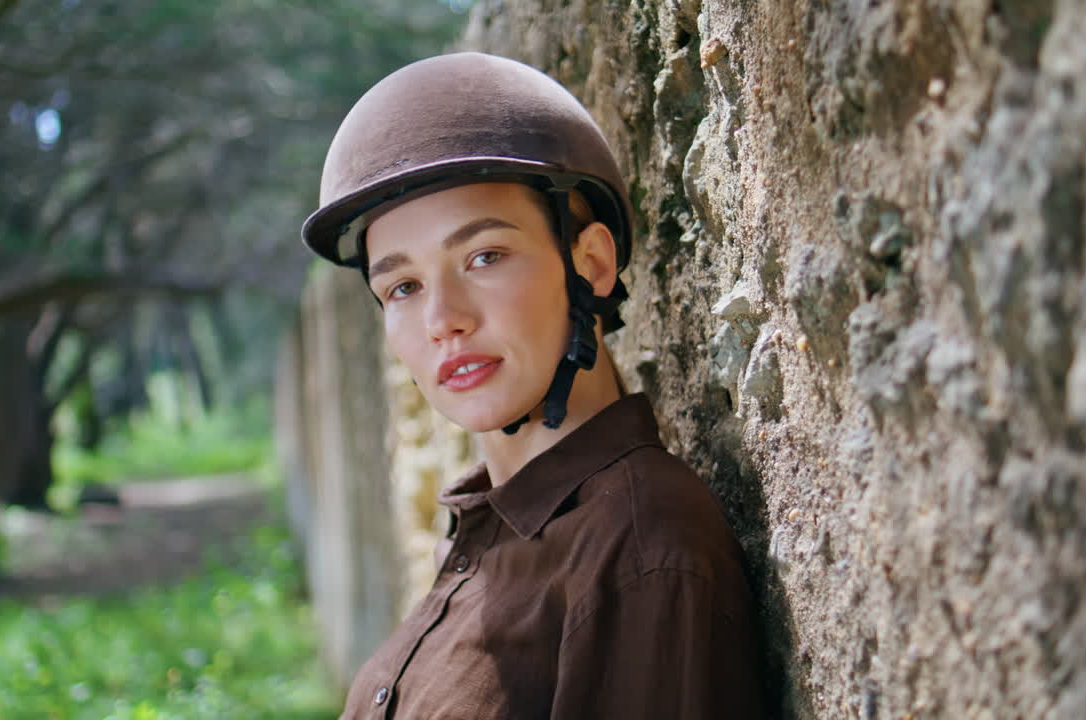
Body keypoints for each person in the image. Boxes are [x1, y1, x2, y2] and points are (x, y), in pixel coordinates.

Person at [302, 52, 763, 719]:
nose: (443, 321)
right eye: (403, 286)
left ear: (592, 264)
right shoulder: (489, 526)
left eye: (484, 256)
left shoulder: (639, 546)